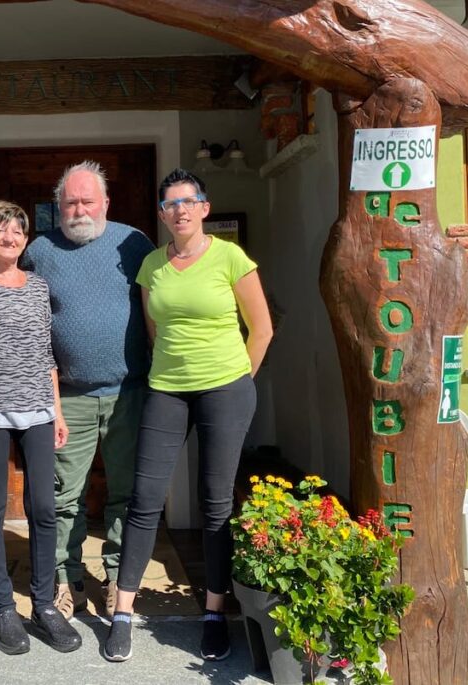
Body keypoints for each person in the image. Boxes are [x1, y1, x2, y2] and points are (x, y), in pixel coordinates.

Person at [103, 168, 273, 663]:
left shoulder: (230, 257)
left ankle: (215, 613)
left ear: (204, 207)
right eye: (170, 203)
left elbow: (260, 329)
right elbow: (155, 327)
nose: (179, 210)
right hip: (167, 391)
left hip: (226, 389)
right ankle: (122, 614)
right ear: (161, 214)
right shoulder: (152, 266)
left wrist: (238, 381)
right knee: (144, 498)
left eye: (188, 200)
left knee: (216, 502)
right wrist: (175, 369)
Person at [20, 161, 155, 619]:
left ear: (105, 204)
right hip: (69, 396)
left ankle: (119, 576)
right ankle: (66, 579)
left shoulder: (135, 243)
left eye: (87, 201)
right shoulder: (40, 251)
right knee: (64, 496)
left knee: (126, 492)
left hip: (129, 391)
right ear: (58, 206)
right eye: (70, 202)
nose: (79, 210)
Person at [0, 201, 83, 655]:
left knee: (44, 509)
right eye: (0, 230)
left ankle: (43, 605)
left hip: (39, 414)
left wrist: (58, 411)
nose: (9, 237)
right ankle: (3, 608)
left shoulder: (37, 287)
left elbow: (46, 353)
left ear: (26, 239)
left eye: (17, 231)